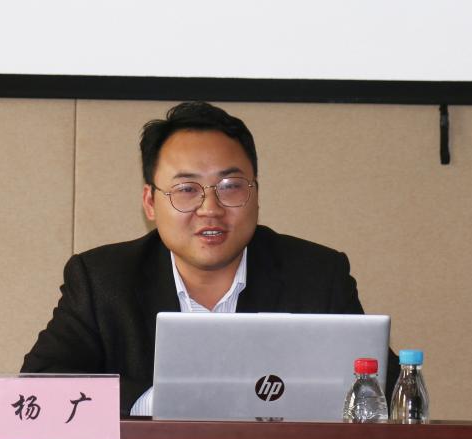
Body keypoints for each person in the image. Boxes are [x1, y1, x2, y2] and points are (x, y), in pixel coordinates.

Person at [21, 101, 399, 415]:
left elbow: (387, 393)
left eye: (230, 186)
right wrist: (153, 401)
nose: (210, 208)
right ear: (150, 202)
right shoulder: (102, 280)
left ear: (255, 194)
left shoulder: (317, 275)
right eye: (187, 189)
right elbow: (37, 391)